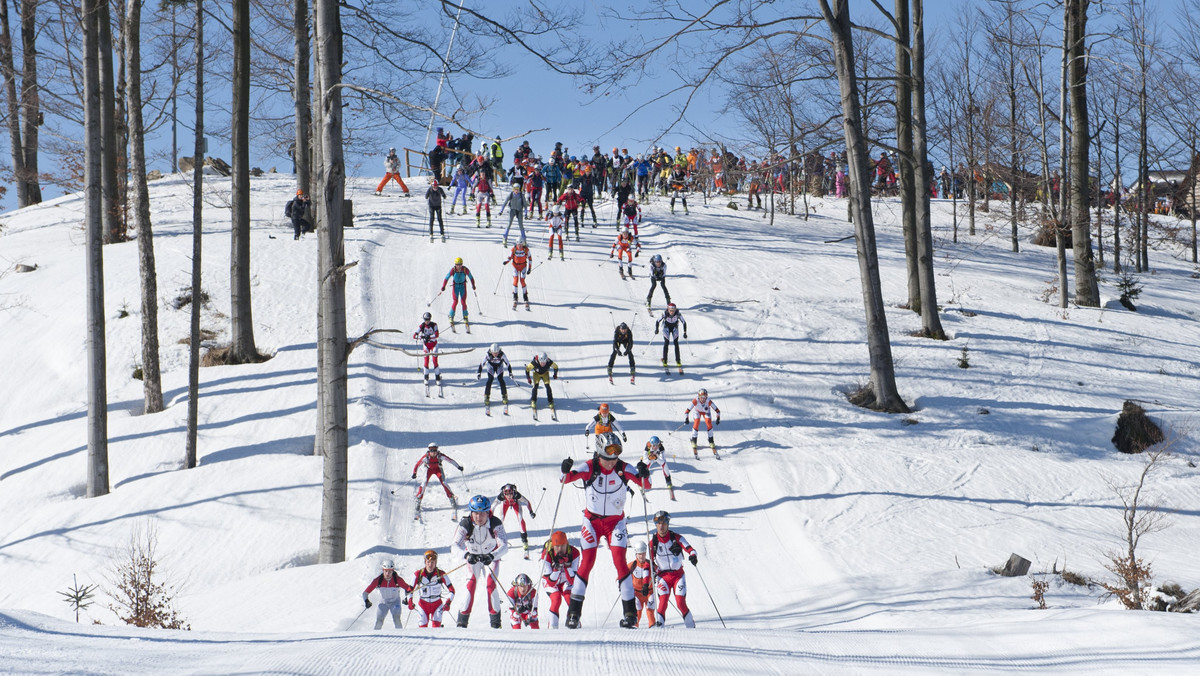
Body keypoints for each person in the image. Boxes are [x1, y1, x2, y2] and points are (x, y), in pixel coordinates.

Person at [558, 432, 651, 628]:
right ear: (599, 454)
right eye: (607, 458)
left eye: (615, 458)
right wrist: (564, 469)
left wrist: (644, 472)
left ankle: (630, 614)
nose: (611, 462)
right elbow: (565, 479)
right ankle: (573, 613)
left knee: (620, 561)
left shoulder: (623, 468)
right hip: (591, 522)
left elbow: (646, 485)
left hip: (615, 522)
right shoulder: (590, 467)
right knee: (587, 562)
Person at [452, 495, 509, 628]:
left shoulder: (495, 523)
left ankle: (495, 623)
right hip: (473, 558)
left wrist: (492, 556)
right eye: (476, 513)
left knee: (490, 584)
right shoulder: (465, 524)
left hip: (490, 558)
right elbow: (454, 546)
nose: (479, 517)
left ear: (487, 512)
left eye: (482, 513)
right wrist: (466, 555)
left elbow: (504, 545)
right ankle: (462, 622)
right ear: (471, 512)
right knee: (471, 584)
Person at [649, 511, 698, 628]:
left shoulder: (676, 538)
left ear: (668, 524)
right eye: (659, 523)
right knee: (663, 602)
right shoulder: (653, 543)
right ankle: (660, 629)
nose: (661, 526)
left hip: (678, 576)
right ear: (655, 525)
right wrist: (653, 572)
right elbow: (650, 562)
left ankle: (691, 628)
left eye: (664, 523)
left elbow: (691, 549)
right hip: (663, 577)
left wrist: (693, 556)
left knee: (680, 603)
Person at [540, 530, 580, 629]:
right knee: (556, 598)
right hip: (551, 580)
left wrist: (567, 566)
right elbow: (550, 582)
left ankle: (575, 623)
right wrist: (557, 568)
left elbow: (573, 580)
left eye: (563, 545)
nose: (560, 549)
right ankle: (553, 627)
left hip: (566, 580)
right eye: (557, 546)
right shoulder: (547, 554)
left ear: (567, 544)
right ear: (553, 546)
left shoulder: (574, 553)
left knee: (569, 598)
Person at [362, 559, 413, 630]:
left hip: (395, 602)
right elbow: (365, 593)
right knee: (379, 621)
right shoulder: (378, 580)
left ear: (393, 570)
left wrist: (407, 598)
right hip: (383, 603)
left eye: (389, 571)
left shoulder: (397, 579)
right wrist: (366, 601)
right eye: (386, 571)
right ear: (383, 570)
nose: (387, 573)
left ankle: (400, 636)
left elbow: (408, 589)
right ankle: (375, 637)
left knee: (397, 619)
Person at [409, 550, 455, 628]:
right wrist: (410, 601)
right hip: (423, 605)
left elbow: (452, 590)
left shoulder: (441, 574)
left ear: (436, 563)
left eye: (433, 562)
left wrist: (448, 603)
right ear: (425, 562)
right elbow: (409, 590)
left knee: (436, 627)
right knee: (422, 628)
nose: (430, 565)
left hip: (437, 605)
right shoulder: (418, 574)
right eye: (428, 562)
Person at [412, 442, 462, 507]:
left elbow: (450, 460)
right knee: (424, 483)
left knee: (444, 482)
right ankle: (418, 499)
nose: (433, 452)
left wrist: (458, 466)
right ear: (429, 450)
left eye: (435, 450)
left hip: (438, 469)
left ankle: (451, 498)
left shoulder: (440, 456)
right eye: (432, 450)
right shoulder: (426, 457)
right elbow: (417, 465)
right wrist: (414, 473)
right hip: (428, 469)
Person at [494, 483, 537, 554]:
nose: (509, 497)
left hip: (515, 504)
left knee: (520, 518)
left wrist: (531, 512)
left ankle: (524, 540)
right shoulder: (501, 496)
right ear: (504, 494)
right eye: (507, 495)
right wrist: (489, 515)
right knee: (500, 519)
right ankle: (496, 540)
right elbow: (493, 506)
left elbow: (527, 502)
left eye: (510, 494)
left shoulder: (517, 495)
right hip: (505, 504)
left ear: (513, 492)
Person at [477, 343, 513, 413]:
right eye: (494, 353)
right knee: (490, 380)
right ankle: (486, 396)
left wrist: (510, 372)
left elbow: (507, 363)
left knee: (501, 379)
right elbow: (482, 364)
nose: (495, 354)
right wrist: (479, 373)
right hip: (491, 367)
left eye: (496, 353)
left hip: (499, 367)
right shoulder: (488, 355)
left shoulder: (502, 354)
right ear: (491, 351)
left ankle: (504, 395)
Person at [684, 388, 721, 454]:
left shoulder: (708, 401)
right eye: (701, 397)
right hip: (697, 412)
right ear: (699, 397)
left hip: (706, 412)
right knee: (696, 423)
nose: (703, 399)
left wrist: (718, 418)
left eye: (705, 397)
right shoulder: (695, 400)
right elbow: (687, 411)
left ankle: (711, 441)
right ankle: (694, 441)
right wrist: (686, 418)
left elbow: (717, 411)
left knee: (709, 424)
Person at [441, 257, 476, 325]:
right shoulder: (453, 270)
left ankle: (465, 316)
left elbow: (471, 277)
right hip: (455, 287)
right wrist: (443, 286)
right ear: (455, 264)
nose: (459, 266)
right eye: (457, 264)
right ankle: (451, 316)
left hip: (463, 286)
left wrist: (473, 285)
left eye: (460, 264)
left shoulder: (465, 270)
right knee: (455, 301)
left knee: (463, 302)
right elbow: (446, 277)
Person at [628, 540, 656, 627]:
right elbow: (622, 575)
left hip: (649, 592)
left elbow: (659, 572)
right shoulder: (632, 565)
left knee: (650, 609)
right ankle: (635, 626)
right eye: (639, 554)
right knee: (637, 610)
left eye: (643, 553)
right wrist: (620, 583)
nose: (641, 556)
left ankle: (653, 626)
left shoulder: (650, 564)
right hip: (636, 593)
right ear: (636, 554)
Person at [412, 311, 442, 390]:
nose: (427, 321)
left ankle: (437, 377)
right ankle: (426, 377)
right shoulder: (422, 326)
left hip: (434, 345)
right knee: (426, 360)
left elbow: (437, 335)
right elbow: (415, 335)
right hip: (426, 345)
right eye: (425, 320)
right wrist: (418, 335)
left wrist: (429, 336)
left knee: (435, 360)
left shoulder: (434, 325)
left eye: (428, 319)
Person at [655, 303, 687, 372]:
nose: (672, 312)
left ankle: (678, 360)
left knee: (676, 343)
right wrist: (656, 329)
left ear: (675, 309)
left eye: (673, 310)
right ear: (668, 309)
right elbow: (657, 321)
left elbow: (684, 322)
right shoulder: (665, 314)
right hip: (666, 328)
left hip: (675, 328)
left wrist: (684, 332)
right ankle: (665, 360)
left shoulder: (678, 314)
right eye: (670, 310)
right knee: (666, 342)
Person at [526, 352, 559, 418]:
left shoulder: (549, 361)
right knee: (535, 387)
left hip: (545, 374)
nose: (543, 364)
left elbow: (556, 367)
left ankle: (550, 401)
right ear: (539, 360)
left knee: (548, 387)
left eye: (544, 363)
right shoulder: (534, 362)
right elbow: (527, 369)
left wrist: (555, 374)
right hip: (536, 374)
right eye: (542, 363)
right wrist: (528, 378)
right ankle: (533, 400)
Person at [642, 435, 675, 500]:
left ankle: (668, 481)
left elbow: (662, 461)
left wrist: (656, 458)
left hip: (657, 458)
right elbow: (644, 461)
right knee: (644, 466)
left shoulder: (661, 448)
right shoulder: (647, 448)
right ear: (651, 445)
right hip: (650, 458)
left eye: (657, 445)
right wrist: (649, 458)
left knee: (665, 465)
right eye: (653, 445)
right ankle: (641, 480)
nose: (655, 447)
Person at [502, 238, 531, 309]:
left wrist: (529, 268)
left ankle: (525, 296)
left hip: (523, 266)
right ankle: (515, 296)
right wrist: (506, 262)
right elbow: (509, 257)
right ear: (517, 244)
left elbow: (530, 258)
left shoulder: (526, 249)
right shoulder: (513, 249)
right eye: (519, 244)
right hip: (515, 266)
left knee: (522, 280)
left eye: (521, 244)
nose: (520, 246)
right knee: (515, 280)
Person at [499, 176, 527, 246]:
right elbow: (505, 202)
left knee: (521, 225)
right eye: (515, 189)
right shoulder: (511, 194)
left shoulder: (521, 195)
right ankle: (505, 237)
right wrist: (501, 210)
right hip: (512, 210)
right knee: (509, 224)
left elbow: (525, 205)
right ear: (513, 189)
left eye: (518, 189)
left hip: (519, 211)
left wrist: (526, 213)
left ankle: (524, 239)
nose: (516, 190)